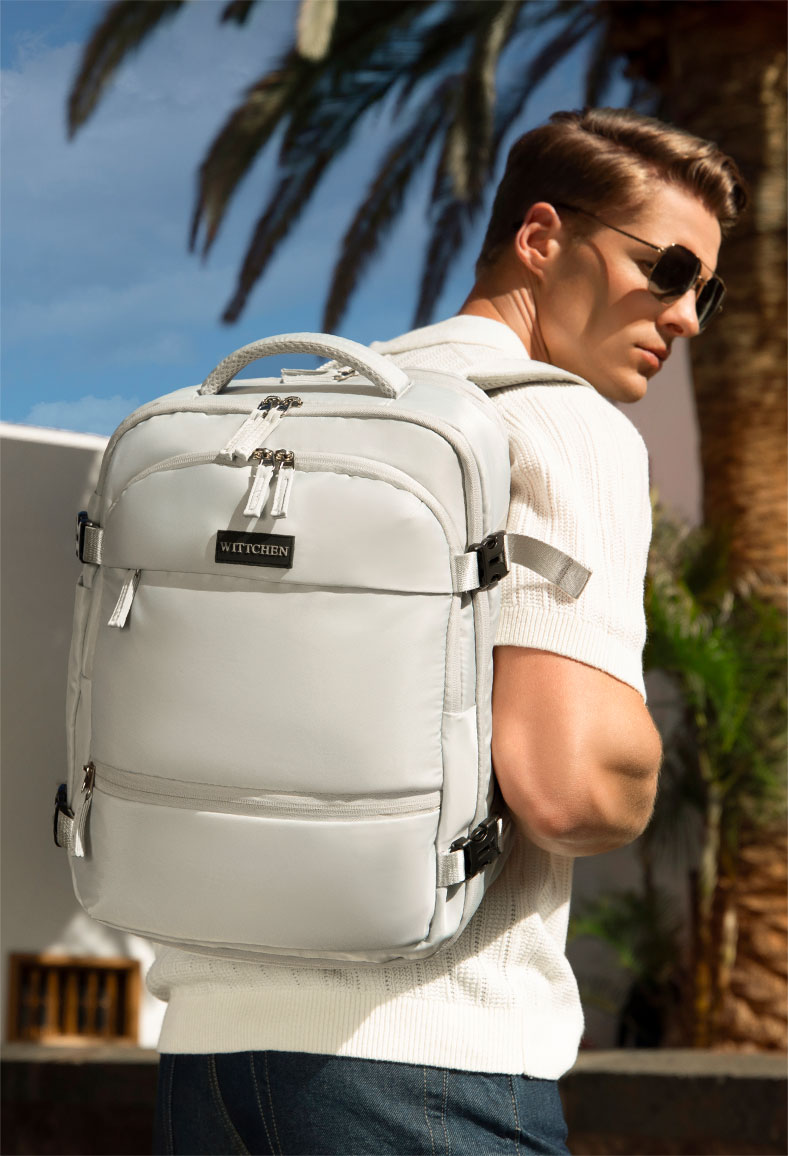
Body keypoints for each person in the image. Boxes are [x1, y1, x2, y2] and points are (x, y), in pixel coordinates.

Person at [150, 108, 747, 1155]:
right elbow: (569, 789)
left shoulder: (302, 407)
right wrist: (640, 763)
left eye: (708, 289)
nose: (687, 316)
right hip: (430, 1056)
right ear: (541, 237)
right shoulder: (556, 419)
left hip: (206, 1056)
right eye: (667, 270)